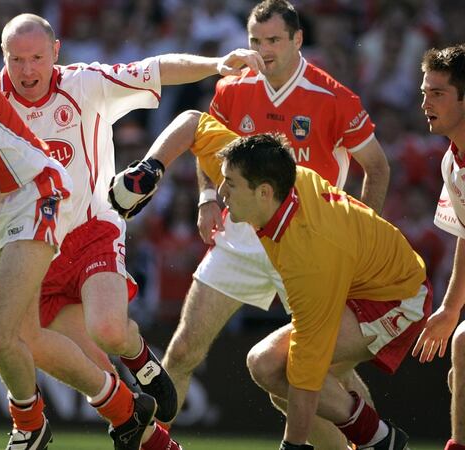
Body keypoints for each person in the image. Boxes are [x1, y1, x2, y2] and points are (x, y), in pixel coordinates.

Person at [0, 13, 263, 449]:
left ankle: (55, 411)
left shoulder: (79, 82)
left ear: (56, 52)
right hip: (1, 221)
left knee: (89, 331)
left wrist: (217, 65)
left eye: (36, 58)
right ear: (3, 58)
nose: (26, 70)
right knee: (27, 343)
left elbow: (155, 68)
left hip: (71, 215)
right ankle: (132, 419)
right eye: (16, 59)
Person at [135, 0, 389, 446]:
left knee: (327, 373)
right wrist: (208, 195)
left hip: (308, 245)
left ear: (297, 39)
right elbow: (206, 142)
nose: (263, 50)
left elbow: (378, 167)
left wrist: (358, 240)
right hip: (241, 239)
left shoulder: (333, 96)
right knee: (182, 351)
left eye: (273, 40)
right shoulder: (234, 88)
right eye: (255, 41)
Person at [112, 113, 427, 450]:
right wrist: (151, 168)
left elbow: (306, 370)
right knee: (265, 366)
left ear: (263, 193)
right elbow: (192, 122)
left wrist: (292, 445)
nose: (222, 191)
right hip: (353, 273)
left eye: (230, 185)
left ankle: (378, 440)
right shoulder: (254, 168)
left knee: (291, 371)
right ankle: (380, 439)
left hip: (393, 299)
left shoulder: (308, 254)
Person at [411, 44, 465, 450]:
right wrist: (449, 308)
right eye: (424, 91)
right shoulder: (451, 163)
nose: (425, 102)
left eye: (438, 93)